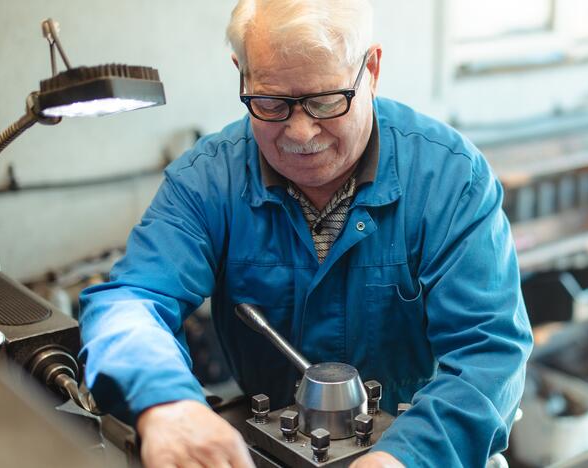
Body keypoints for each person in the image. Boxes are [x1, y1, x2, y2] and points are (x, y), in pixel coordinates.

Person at [78, 0, 533, 466]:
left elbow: (489, 350)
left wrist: (407, 456)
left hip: (429, 447)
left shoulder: (449, 178)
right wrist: (166, 404)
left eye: (324, 101)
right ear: (242, 74)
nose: (299, 131)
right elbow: (130, 302)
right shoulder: (208, 181)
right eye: (271, 102)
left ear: (371, 70)